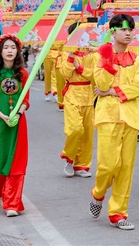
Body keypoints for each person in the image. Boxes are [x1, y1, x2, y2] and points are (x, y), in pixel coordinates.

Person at [88, 14, 139, 231]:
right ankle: (98, 192)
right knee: (108, 165)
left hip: (130, 118)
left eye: (131, 29)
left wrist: (112, 91)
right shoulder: (99, 56)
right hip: (107, 116)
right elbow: (99, 83)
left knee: (126, 167)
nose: (128, 33)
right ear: (113, 32)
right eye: (123, 29)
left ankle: (118, 213)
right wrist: (107, 62)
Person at [0, 34, 30, 216]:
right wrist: (3, 116)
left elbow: (26, 100)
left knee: (17, 163)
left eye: (13, 47)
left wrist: (17, 114)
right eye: (6, 48)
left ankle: (12, 203)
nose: (10, 51)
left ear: (18, 51)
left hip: (18, 124)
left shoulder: (23, 74)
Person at [58, 22, 96, 178]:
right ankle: (69, 157)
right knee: (75, 129)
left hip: (88, 94)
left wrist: (79, 67)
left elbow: (95, 75)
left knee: (87, 133)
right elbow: (65, 73)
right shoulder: (65, 53)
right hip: (72, 93)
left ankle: (82, 165)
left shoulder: (93, 54)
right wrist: (71, 57)